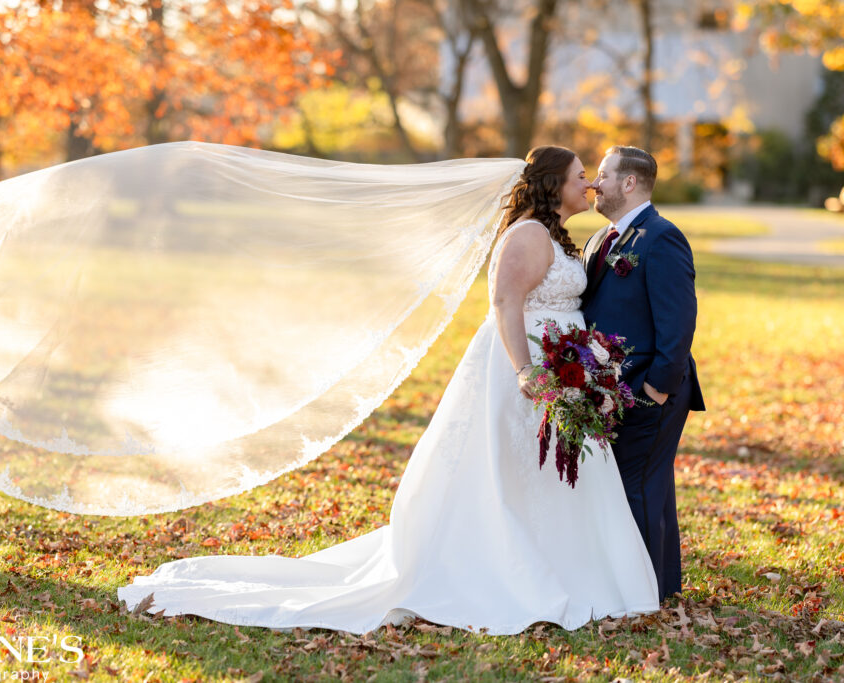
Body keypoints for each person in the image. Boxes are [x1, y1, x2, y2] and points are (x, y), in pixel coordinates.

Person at [116, 146, 660, 635]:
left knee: (547, 472)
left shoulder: (559, 236)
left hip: (564, 367)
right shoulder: (528, 235)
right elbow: (504, 306)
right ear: (552, 185)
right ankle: (506, 567)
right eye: (580, 177)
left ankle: (563, 565)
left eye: (590, 178)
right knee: (509, 472)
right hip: (525, 368)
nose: (588, 185)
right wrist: (526, 372)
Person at [581, 146, 705, 601]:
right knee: (627, 484)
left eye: (602, 175)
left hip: (651, 388)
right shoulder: (600, 240)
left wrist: (657, 388)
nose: (594, 184)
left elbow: (678, 323)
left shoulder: (661, 237)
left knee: (641, 484)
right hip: (611, 389)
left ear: (629, 183)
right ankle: (643, 583)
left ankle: (646, 592)